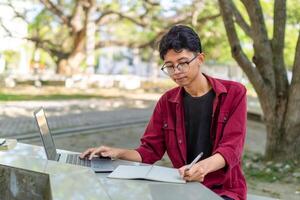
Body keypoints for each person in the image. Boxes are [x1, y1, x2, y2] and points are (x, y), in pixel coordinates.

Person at [80, 25, 247, 200]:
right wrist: (117, 153)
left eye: (183, 63)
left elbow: (231, 149)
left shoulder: (234, 93)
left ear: (200, 59)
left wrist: (202, 168)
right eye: (170, 66)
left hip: (224, 190)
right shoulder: (167, 102)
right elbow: (149, 151)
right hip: (184, 186)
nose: (177, 72)